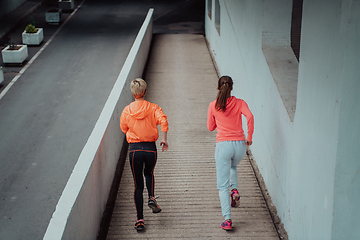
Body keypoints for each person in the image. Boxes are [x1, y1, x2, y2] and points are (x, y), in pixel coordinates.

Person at [120, 78, 169, 231]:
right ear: (145, 92)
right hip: (150, 149)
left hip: (135, 150)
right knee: (149, 173)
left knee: (137, 185)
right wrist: (164, 139)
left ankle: (140, 220)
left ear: (133, 93)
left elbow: (123, 128)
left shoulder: (127, 110)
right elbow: (164, 121)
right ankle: (151, 198)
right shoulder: (154, 108)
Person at [207, 76, 254, 231]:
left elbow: (210, 127)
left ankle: (227, 219)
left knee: (222, 186)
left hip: (223, 146)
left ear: (218, 87)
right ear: (231, 88)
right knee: (233, 165)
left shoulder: (213, 105)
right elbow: (250, 117)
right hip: (240, 145)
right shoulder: (240, 103)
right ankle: (235, 189)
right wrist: (249, 138)